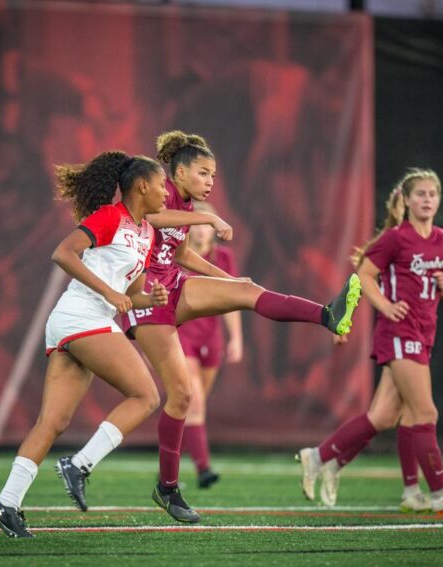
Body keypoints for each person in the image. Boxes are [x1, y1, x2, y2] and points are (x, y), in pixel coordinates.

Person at [63, 130, 363, 524]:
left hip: (173, 286)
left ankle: (328, 315)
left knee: (246, 289)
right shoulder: (160, 192)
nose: (210, 182)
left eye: (214, 175)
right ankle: (160, 487)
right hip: (146, 299)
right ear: (180, 171)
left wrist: (226, 281)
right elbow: (149, 217)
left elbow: (181, 252)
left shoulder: (185, 204)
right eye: (204, 173)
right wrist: (205, 216)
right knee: (182, 395)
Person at [0, 151, 183, 538]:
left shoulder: (147, 233)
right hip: (80, 318)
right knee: (146, 396)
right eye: (162, 184)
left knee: (53, 421)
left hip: (75, 323)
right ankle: (80, 464)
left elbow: (133, 293)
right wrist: (112, 292)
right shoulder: (110, 217)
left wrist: (151, 299)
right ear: (142, 185)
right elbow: (62, 253)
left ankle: (6, 502)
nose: (166, 192)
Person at [297, 169, 443, 514]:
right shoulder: (396, 238)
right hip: (399, 334)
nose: (427, 200)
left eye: (432, 194)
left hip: (424, 334)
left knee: (385, 417)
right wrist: (383, 305)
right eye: (420, 194)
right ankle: (439, 491)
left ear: (440, 200)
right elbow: (364, 273)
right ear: (406, 200)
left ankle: (323, 458)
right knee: (425, 411)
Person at [177, 202, 243, 489]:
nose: (203, 231)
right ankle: (204, 468)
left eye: (208, 224)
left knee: (188, 404)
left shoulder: (224, 257)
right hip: (182, 337)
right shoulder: (178, 256)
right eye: (198, 224)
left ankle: (168, 464)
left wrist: (236, 337)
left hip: (211, 338)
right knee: (194, 400)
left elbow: (233, 299)